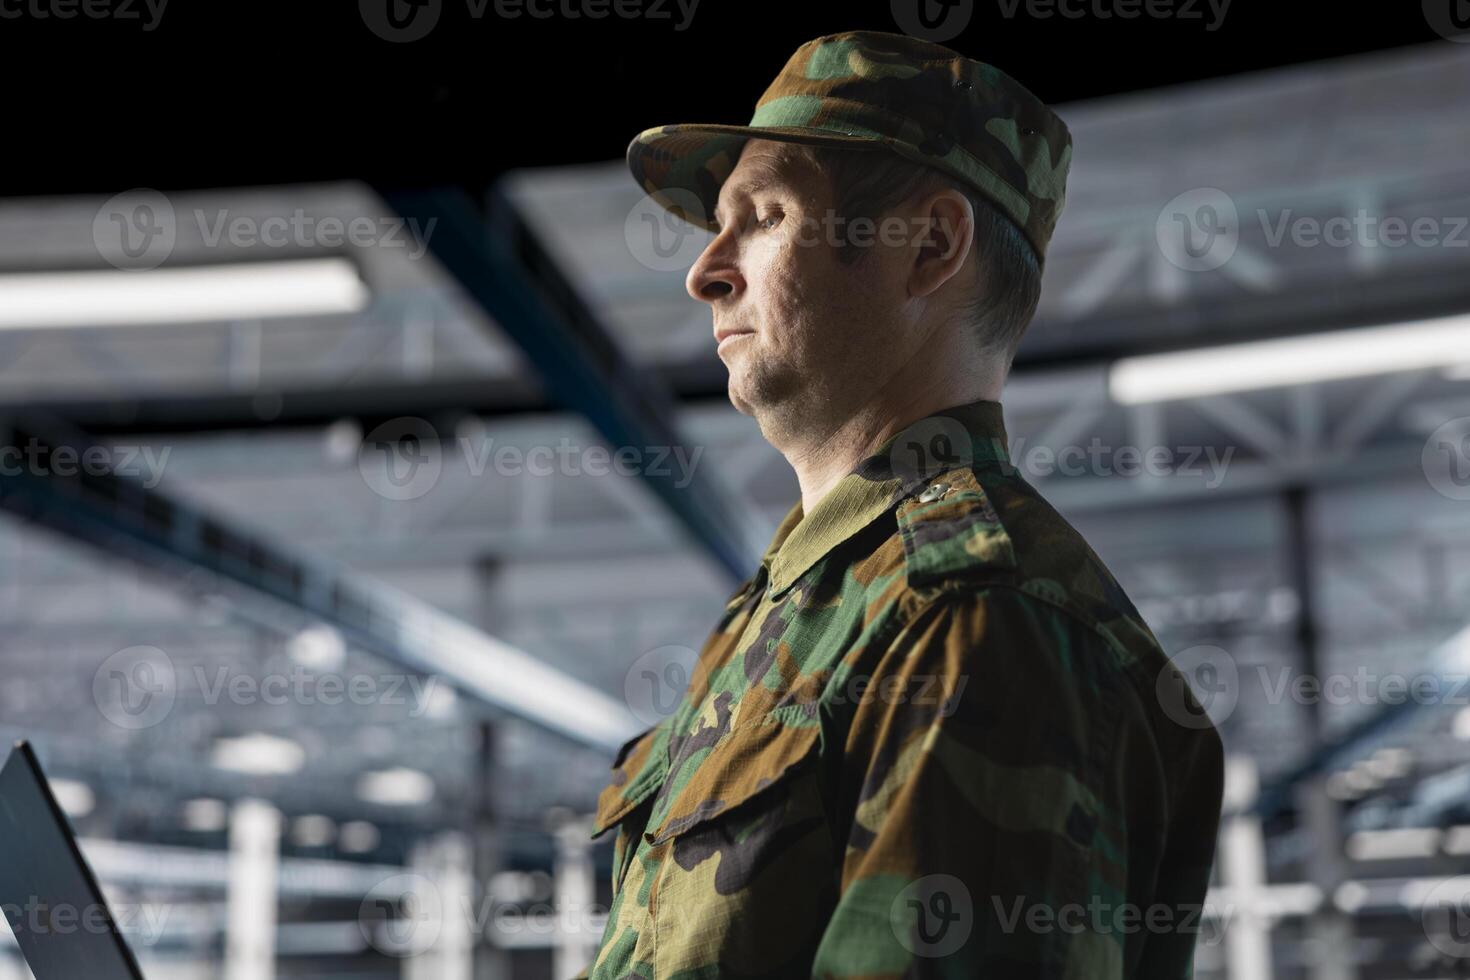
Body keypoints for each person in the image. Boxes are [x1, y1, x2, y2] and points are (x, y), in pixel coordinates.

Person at [579, 29, 1224, 979]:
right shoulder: (801, 598)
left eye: (762, 215)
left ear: (928, 246)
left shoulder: (975, 620)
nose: (705, 270)